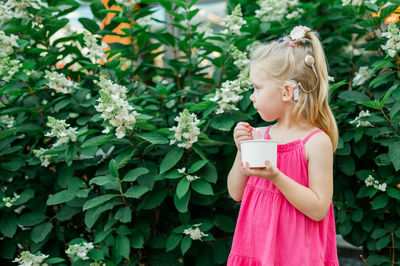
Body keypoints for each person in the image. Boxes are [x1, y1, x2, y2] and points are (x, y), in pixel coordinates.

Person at [227, 25, 339, 266]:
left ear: (287, 92)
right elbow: (235, 193)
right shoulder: (258, 136)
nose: (252, 96)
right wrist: (241, 150)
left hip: (296, 256)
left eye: (257, 88)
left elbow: (319, 208)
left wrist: (277, 177)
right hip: (255, 250)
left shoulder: (316, 142)